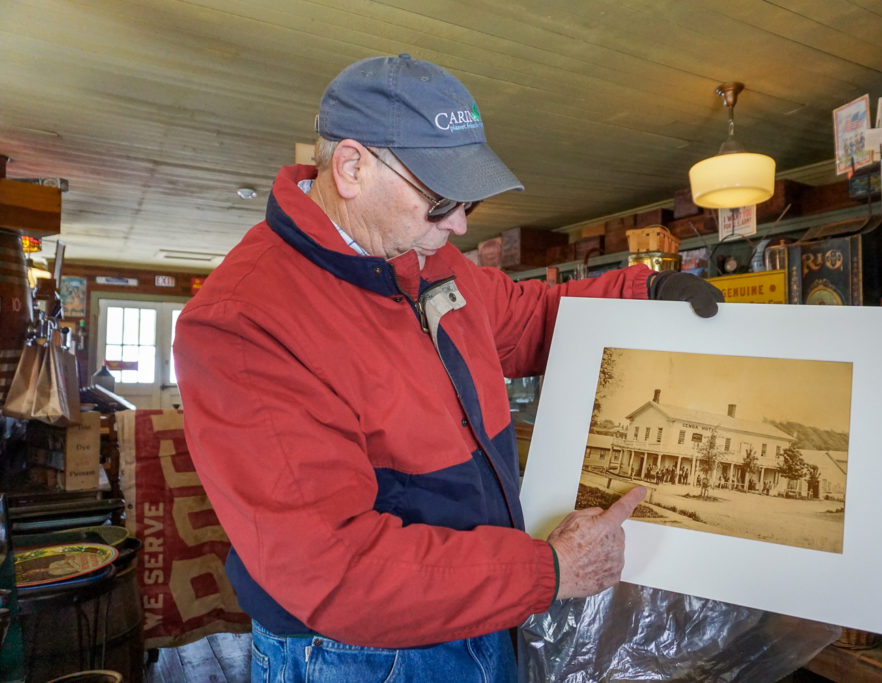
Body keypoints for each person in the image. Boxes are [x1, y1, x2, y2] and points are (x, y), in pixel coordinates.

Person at [174, 54, 723, 682]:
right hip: (360, 656)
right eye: (440, 202)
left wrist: (643, 298)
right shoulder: (243, 324)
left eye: (469, 203)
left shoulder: (427, 256)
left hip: (485, 608)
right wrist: (548, 572)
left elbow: (529, 319)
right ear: (351, 167)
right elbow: (333, 569)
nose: (458, 225)